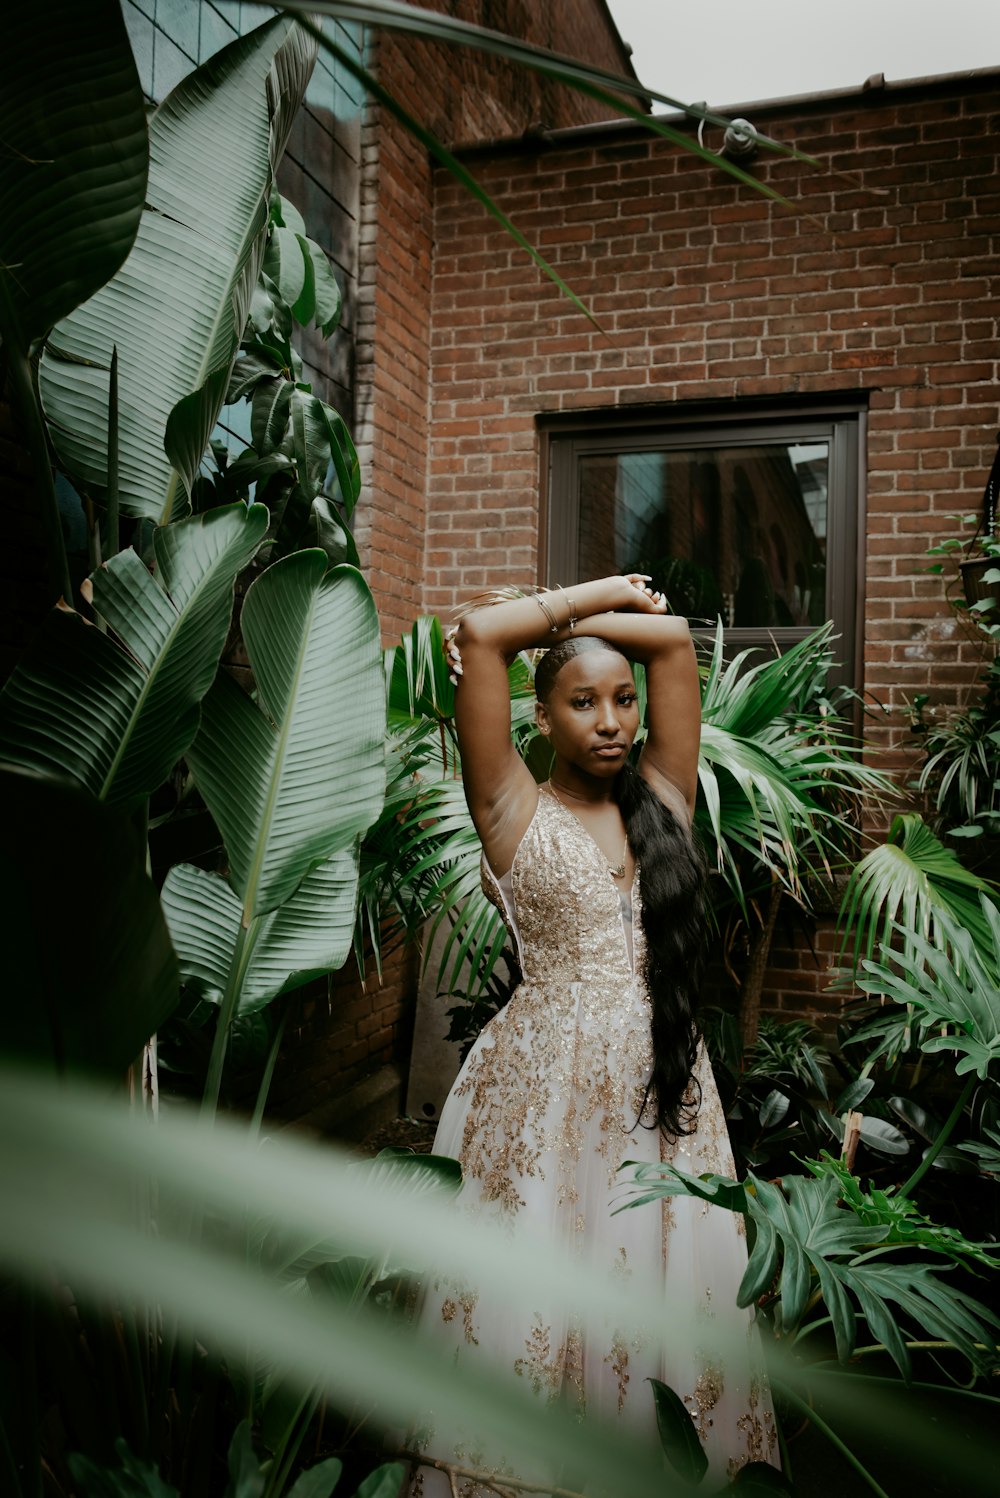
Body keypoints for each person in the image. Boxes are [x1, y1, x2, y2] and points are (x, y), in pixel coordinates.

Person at [406, 576, 777, 1496]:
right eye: (582, 702)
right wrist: (605, 592)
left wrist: (593, 627)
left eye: (622, 701)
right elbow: (485, 635)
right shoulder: (511, 807)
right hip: (544, 1096)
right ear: (538, 716)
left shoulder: (662, 798)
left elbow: (677, 640)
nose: (610, 720)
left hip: (664, 1091)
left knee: (658, 1280)